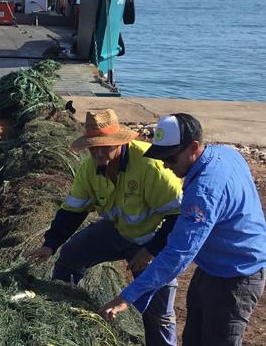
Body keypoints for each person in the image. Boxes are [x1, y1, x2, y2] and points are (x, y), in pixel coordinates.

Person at [101, 113, 266, 346]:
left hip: (237, 277)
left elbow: (177, 254)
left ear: (194, 147)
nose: (165, 165)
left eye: (170, 157)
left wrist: (126, 297)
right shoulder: (226, 153)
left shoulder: (203, 192)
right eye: (161, 157)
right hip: (210, 268)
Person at [26, 109, 183, 346]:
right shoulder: (89, 170)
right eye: (93, 146)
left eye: (105, 146)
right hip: (115, 231)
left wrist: (150, 250)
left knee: (158, 312)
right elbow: (72, 211)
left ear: (120, 142)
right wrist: (50, 244)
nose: (99, 152)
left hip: (153, 239)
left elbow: (179, 216)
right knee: (69, 257)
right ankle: (65, 315)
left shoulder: (150, 166)